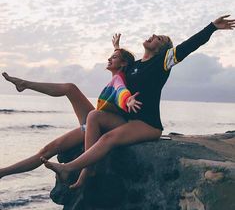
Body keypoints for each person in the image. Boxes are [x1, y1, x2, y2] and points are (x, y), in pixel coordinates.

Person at [38, 15, 235, 188]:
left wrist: (212, 27)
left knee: (108, 139)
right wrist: (116, 48)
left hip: (148, 124)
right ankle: (88, 169)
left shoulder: (163, 62)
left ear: (162, 49)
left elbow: (189, 46)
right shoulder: (134, 66)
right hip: (128, 121)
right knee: (94, 116)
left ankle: (71, 168)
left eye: (159, 39)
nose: (154, 36)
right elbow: (120, 62)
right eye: (155, 34)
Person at [0, 48, 141, 186]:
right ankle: (3, 172)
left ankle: (88, 168)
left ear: (123, 63)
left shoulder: (118, 79)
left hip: (109, 124)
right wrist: (116, 47)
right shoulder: (117, 76)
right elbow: (122, 63)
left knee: (89, 110)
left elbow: (121, 91)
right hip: (96, 122)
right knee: (48, 149)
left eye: (114, 57)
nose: (109, 59)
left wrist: (128, 100)